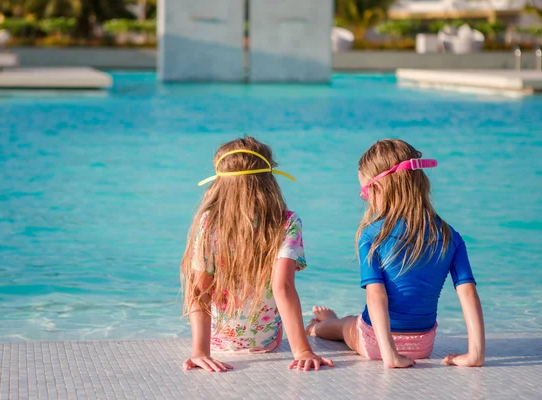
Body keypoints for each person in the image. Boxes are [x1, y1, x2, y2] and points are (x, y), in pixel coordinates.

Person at [307, 139, 485, 369]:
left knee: (347, 325)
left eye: (365, 192)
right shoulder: (450, 235)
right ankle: (334, 321)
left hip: (376, 342)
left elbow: (376, 296)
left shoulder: (372, 234)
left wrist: (389, 354)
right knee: (353, 321)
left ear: (379, 188)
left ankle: (319, 325)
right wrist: (475, 355)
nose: (366, 199)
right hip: (423, 343)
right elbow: (469, 293)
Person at [181, 136, 333, 372]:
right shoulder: (287, 222)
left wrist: (200, 352)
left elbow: (200, 290)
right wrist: (302, 351)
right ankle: (319, 326)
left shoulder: (209, 222)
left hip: (217, 341)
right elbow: (283, 288)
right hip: (265, 341)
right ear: (269, 179)